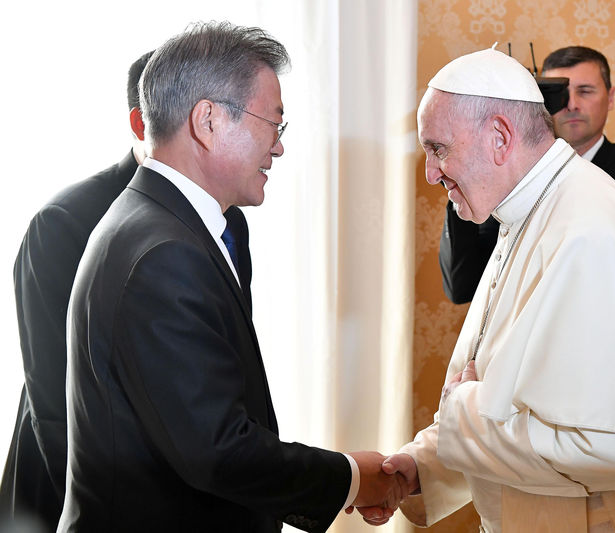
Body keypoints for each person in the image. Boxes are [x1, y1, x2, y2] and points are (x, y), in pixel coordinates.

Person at [357, 47, 615, 532]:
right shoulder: (527, 210)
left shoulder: (589, 231)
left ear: (499, 136)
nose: (431, 173)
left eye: (438, 148)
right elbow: (507, 398)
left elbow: (607, 450)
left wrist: (462, 409)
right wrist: (419, 468)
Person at [57, 22, 405, 533]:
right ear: (209, 120)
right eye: (274, 124)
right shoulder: (163, 252)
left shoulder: (157, 222)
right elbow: (217, 451)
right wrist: (352, 478)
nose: (279, 147)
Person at [0, 50, 248, 532]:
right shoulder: (62, 222)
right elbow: (54, 402)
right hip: (66, 496)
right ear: (143, 120)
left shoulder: (228, 217)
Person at [439, 45, 615, 304]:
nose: (571, 105)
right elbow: (463, 287)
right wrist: (464, 180)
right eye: (560, 93)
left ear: (610, 97)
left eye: (585, 91)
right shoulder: (511, 179)